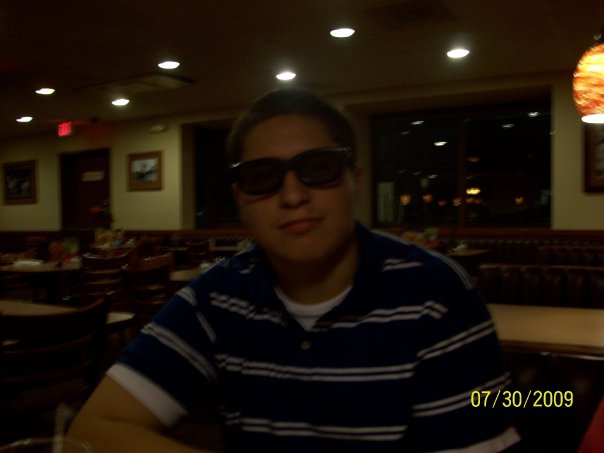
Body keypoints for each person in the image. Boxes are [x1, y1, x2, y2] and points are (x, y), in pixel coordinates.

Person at [69, 89, 520, 452]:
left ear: (354, 180)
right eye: (262, 177)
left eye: (317, 168)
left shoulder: (435, 293)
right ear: (241, 200)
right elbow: (93, 430)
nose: (292, 196)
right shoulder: (217, 298)